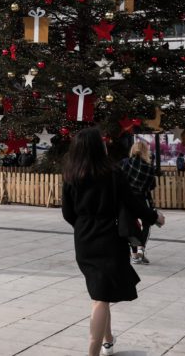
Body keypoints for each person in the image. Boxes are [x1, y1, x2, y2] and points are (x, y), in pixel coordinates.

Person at [63, 127, 164, 356]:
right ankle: (92, 352)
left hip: (84, 240)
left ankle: (107, 340)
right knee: (100, 298)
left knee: (101, 293)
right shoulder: (113, 173)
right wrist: (154, 216)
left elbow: (68, 213)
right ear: (98, 147)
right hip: (109, 237)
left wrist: (83, 227)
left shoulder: (71, 175)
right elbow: (132, 203)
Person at [120, 142, 157, 265]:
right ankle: (141, 248)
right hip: (141, 199)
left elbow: (118, 180)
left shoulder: (125, 163)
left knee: (132, 226)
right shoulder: (149, 167)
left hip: (126, 199)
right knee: (146, 224)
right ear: (146, 151)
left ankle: (135, 255)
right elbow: (152, 186)